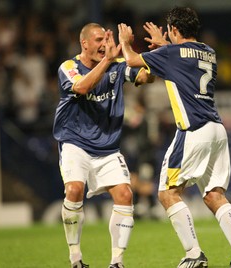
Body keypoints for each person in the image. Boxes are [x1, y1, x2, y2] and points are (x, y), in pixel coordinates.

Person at [118, 7, 231, 268]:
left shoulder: (170, 53)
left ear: (172, 29)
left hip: (193, 130)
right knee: (214, 195)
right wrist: (164, 44)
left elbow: (132, 61)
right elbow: (183, 59)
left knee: (167, 193)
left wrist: (126, 43)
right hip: (217, 129)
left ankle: (194, 253)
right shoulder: (209, 52)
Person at [52, 23, 153, 268]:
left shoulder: (117, 64)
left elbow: (144, 77)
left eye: (105, 39)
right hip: (75, 142)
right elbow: (82, 87)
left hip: (107, 147)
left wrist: (130, 48)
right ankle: (75, 257)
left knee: (125, 195)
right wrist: (107, 61)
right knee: (74, 190)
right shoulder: (69, 67)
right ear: (84, 43)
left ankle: (117, 261)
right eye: (97, 40)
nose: (103, 44)